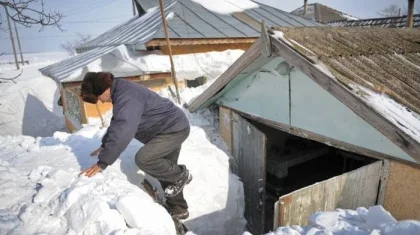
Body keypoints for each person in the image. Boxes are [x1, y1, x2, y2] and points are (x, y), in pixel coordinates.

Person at [79, 71, 192, 219]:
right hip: (168, 127)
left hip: (172, 129)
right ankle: (178, 208)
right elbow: (118, 122)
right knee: (165, 168)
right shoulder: (121, 91)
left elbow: (124, 129)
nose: (101, 101)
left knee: (145, 159)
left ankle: (181, 175)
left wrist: (103, 163)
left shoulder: (126, 96)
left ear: (104, 89)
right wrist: (106, 144)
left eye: (99, 97)